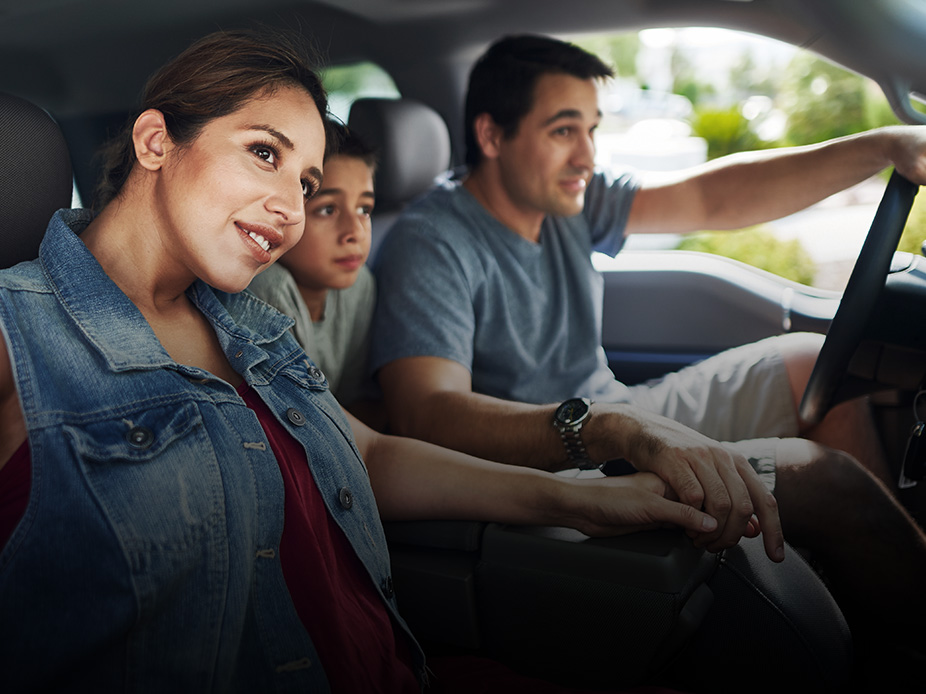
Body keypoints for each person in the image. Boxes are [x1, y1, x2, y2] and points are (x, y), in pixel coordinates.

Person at [0, 28, 727, 693]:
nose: (289, 208)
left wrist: (583, 498)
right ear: (156, 142)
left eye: (305, 183)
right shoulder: (17, 332)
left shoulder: (253, 327)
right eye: (264, 153)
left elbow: (367, 457)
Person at [371, 33, 926, 643]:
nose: (586, 155)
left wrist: (881, 147)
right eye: (563, 131)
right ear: (492, 136)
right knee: (824, 476)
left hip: (616, 412)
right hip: (550, 465)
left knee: (810, 365)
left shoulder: (566, 199)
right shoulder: (432, 243)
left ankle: (861, 603)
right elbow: (426, 413)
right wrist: (604, 428)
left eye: (591, 129)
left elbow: (710, 197)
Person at [248, 119, 382, 425]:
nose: (354, 232)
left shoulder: (360, 283)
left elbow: (354, 398)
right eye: (327, 210)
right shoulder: (268, 289)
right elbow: (308, 422)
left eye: (364, 210)